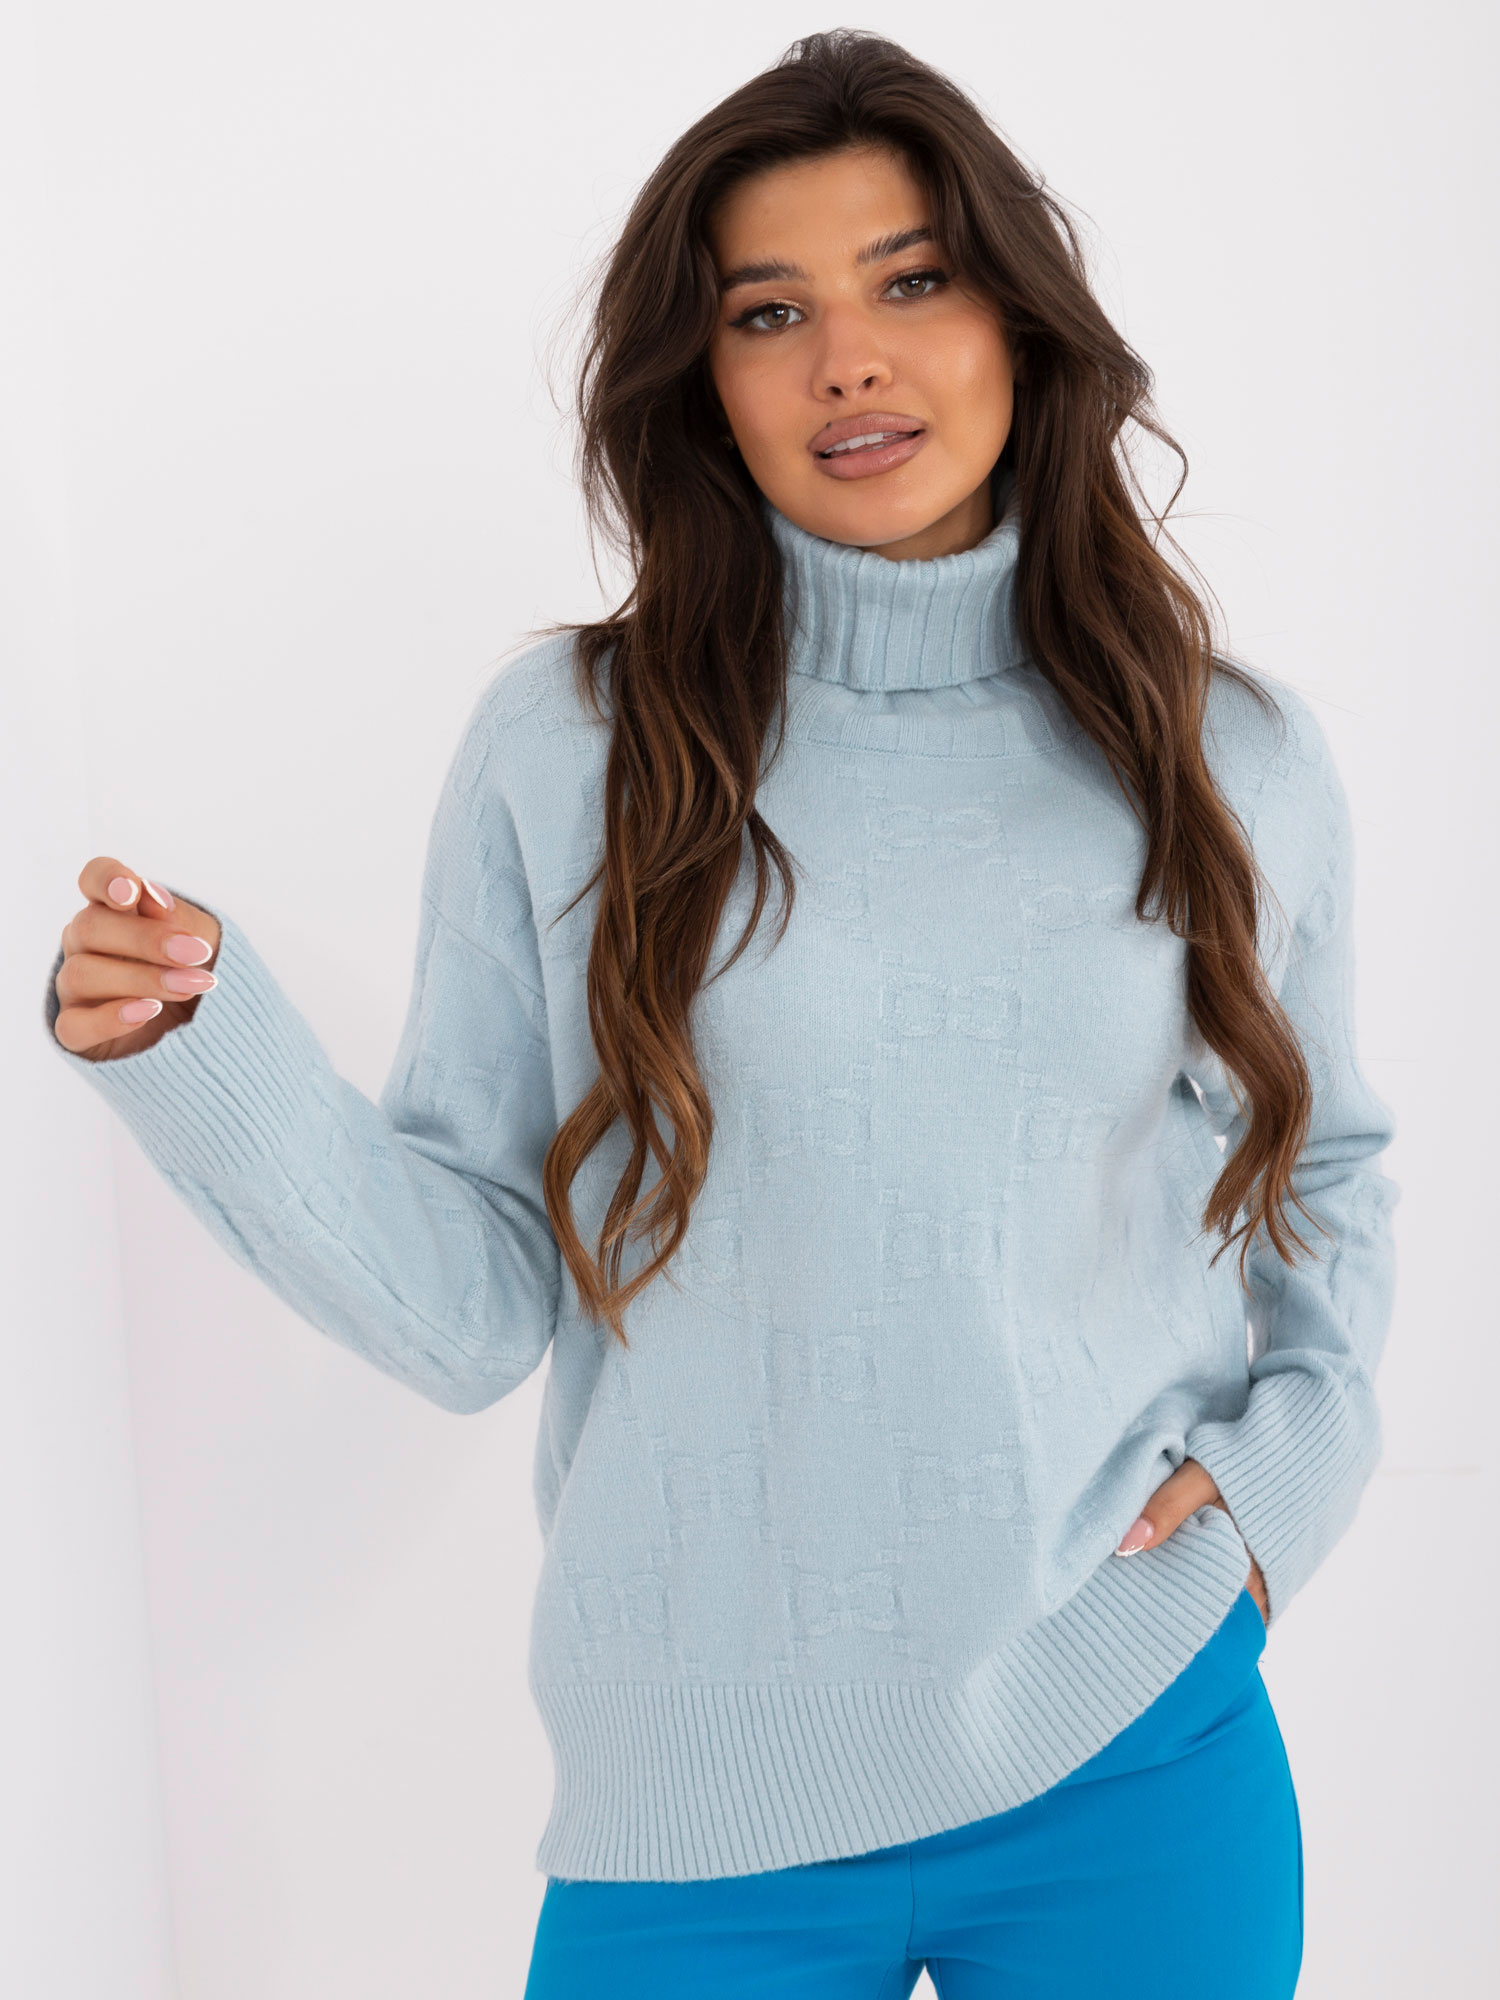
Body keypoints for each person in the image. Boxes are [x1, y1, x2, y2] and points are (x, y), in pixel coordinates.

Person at [44, 29, 1398, 2000]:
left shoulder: (1227, 751)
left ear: (1018, 323)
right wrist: (196, 1047)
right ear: (706, 381)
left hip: (1132, 1737)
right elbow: (473, 1301)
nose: (849, 359)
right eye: (772, 312)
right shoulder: (570, 747)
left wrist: (1287, 1484)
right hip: (700, 1798)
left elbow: (1330, 1165)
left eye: (911, 280)